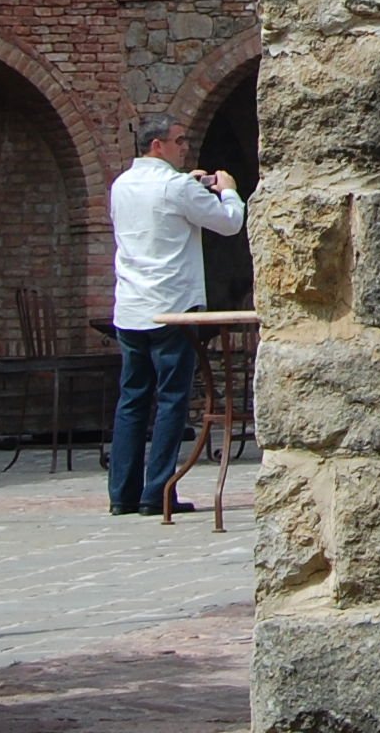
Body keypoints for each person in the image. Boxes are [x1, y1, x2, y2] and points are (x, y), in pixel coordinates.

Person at [106, 113, 245, 517]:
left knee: (131, 401)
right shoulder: (175, 186)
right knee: (171, 400)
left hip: (130, 307)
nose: (185, 147)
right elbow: (229, 223)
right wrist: (228, 191)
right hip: (172, 310)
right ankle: (158, 493)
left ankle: (122, 494)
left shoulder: (121, 185)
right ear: (157, 146)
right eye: (179, 141)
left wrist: (193, 186)